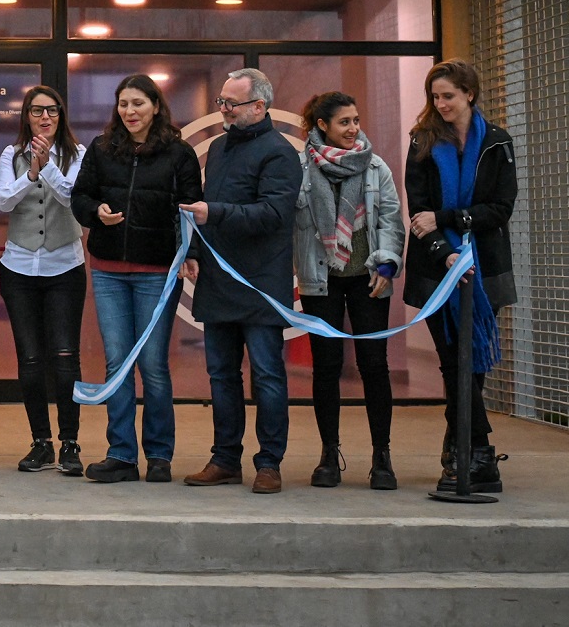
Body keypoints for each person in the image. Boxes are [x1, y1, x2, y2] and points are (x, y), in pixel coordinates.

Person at [69, 73, 202, 484]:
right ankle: (121, 454)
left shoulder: (178, 153)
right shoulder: (102, 148)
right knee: (116, 364)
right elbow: (80, 197)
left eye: (138, 104)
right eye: (123, 104)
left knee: (153, 365)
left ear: (156, 107)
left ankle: (159, 456)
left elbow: (192, 207)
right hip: (108, 270)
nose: (130, 112)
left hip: (157, 273)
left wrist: (192, 254)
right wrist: (96, 214)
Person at [179, 67, 300, 495]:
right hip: (217, 279)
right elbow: (207, 207)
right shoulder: (221, 149)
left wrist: (216, 214)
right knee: (221, 376)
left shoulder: (280, 153)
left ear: (259, 106)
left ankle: (269, 463)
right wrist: (193, 250)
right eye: (221, 102)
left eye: (231, 103)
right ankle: (225, 458)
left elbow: (274, 214)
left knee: (267, 375)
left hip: (261, 282)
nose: (224, 110)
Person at [404, 59, 518, 493]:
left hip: (486, 268)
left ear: (469, 93)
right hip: (436, 270)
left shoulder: (497, 142)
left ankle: (461, 454)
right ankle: (478, 453)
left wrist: (449, 217)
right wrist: (446, 252)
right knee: (454, 364)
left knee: (472, 369)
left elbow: (501, 208)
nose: (440, 104)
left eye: (448, 95)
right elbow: (418, 212)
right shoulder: (423, 141)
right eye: (435, 97)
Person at [294, 90, 404, 490]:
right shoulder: (301, 168)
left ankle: (382, 457)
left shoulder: (375, 167)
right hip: (320, 281)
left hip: (368, 278)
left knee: (374, 366)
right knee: (326, 367)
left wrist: (389, 263)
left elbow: (392, 219)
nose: (354, 128)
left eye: (356, 120)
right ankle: (328, 454)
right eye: (344, 122)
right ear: (322, 126)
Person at [0, 84, 88, 476]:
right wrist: (30, 170)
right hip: (19, 267)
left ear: (61, 115)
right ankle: (41, 442)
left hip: (65, 265)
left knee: (65, 357)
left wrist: (46, 165)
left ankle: (70, 442)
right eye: (36, 111)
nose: (44, 117)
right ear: (26, 116)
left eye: (51, 111)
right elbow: (1, 201)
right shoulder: (10, 154)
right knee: (30, 360)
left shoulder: (77, 154)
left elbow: (72, 198)